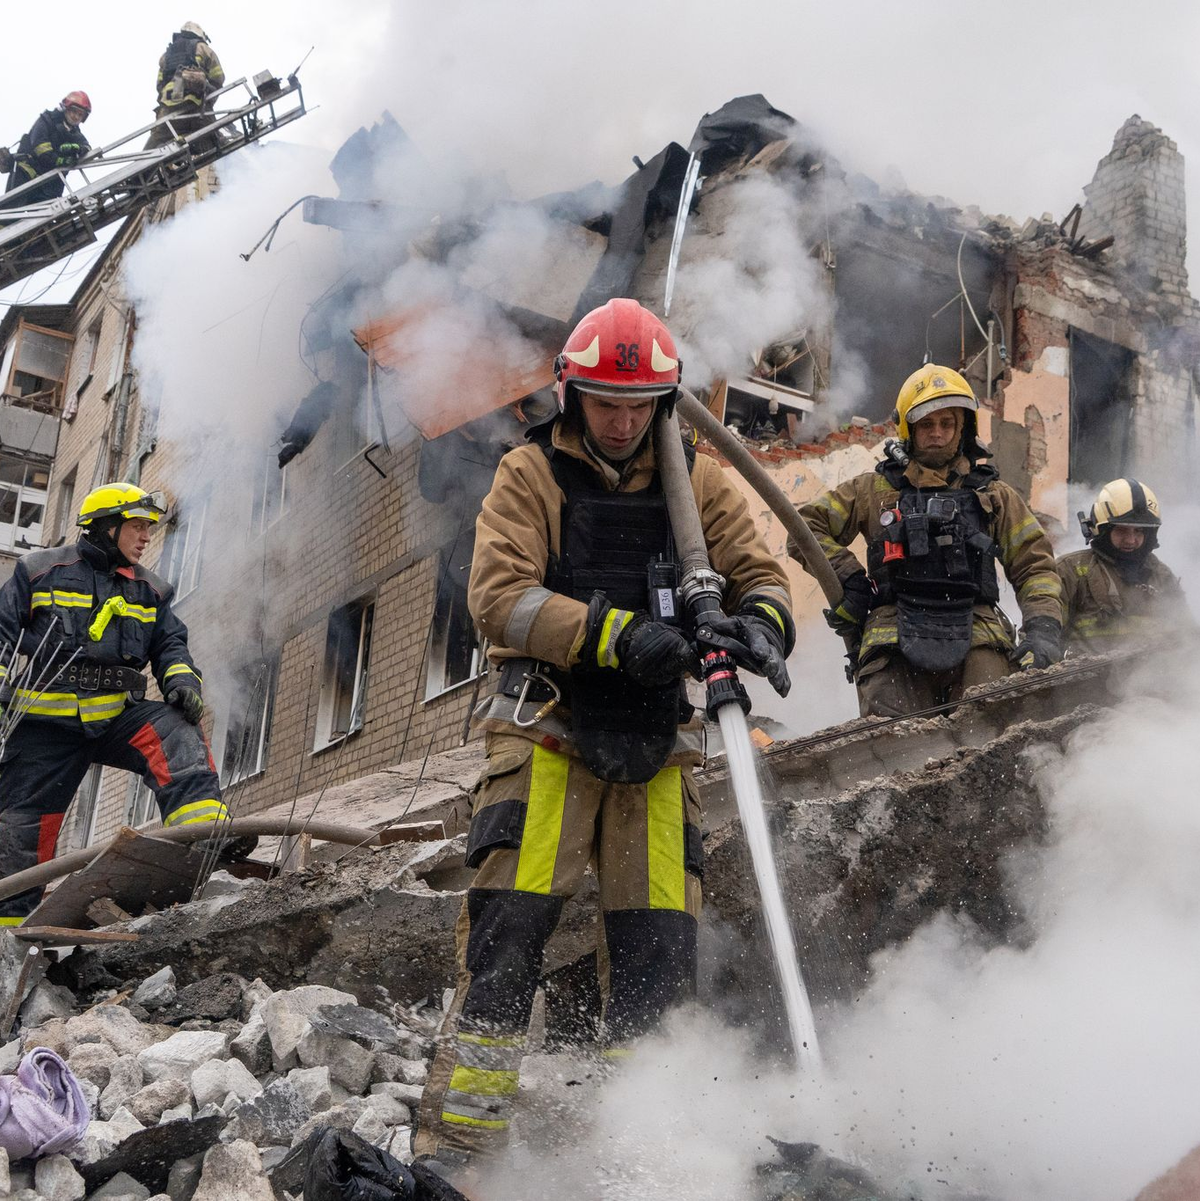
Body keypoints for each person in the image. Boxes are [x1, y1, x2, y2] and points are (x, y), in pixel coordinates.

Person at [414, 298, 794, 1174]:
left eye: (639, 405)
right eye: (604, 403)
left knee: (661, 947)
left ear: (664, 401)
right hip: (548, 728)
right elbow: (497, 598)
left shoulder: (694, 479)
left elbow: (757, 571)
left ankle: (643, 1153)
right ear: (572, 394)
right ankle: (461, 1152)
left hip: (659, 744)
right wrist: (617, 635)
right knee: (509, 932)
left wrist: (765, 625)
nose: (622, 422)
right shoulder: (530, 474)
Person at [0, 483, 241, 926]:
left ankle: (203, 834)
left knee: (175, 727)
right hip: (43, 726)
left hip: (114, 717)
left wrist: (182, 680)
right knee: (23, 834)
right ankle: (11, 934)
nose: (146, 537)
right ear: (105, 528)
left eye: (149, 528)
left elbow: (171, 646)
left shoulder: (152, 591)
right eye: (136, 526)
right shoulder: (38, 571)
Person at [796, 363, 1063, 718]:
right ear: (910, 429)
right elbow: (803, 528)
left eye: (947, 423)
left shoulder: (994, 495)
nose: (937, 433)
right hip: (892, 637)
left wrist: (1043, 628)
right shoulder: (872, 490)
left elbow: (1035, 565)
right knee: (892, 751)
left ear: (962, 428)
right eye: (926, 424)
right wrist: (849, 578)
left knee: (991, 734)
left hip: (979, 635)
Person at [1058, 478, 1192, 652]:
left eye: (1139, 531)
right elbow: (1044, 631)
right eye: (1121, 530)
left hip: (1150, 676)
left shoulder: (1161, 574)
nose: (1130, 540)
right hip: (1083, 678)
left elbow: (1187, 637)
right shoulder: (1071, 570)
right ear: (1102, 530)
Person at [147, 22, 225, 151]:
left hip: (168, 112)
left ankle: (150, 167)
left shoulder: (165, 56)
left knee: (154, 148)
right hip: (196, 107)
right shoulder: (204, 49)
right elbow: (218, 78)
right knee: (215, 139)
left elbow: (159, 86)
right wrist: (209, 97)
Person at [4, 93, 92, 205]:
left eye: (80, 115)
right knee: (10, 213)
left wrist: (79, 149)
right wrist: (61, 160)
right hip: (27, 173)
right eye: (74, 111)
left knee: (46, 218)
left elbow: (87, 147)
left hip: (51, 183)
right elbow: (41, 149)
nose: (76, 117)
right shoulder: (46, 120)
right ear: (65, 108)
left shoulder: (74, 132)